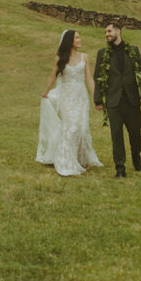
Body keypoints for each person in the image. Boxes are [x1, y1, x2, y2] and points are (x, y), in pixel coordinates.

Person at [36, 29, 103, 176]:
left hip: (81, 97)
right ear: (70, 41)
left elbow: (89, 78)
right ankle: (66, 160)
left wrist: (96, 97)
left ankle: (82, 159)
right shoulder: (61, 58)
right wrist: (46, 92)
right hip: (66, 97)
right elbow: (52, 77)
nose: (80, 40)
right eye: (77, 37)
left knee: (82, 127)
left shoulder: (84, 57)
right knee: (71, 127)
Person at [93, 21, 141, 178]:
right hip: (113, 101)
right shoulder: (102, 53)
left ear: (118, 31)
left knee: (135, 134)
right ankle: (120, 169)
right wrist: (98, 100)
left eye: (109, 31)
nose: (107, 35)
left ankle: (137, 161)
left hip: (132, 100)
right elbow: (98, 77)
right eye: (106, 33)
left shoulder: (133, 51)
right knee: (116, 135)